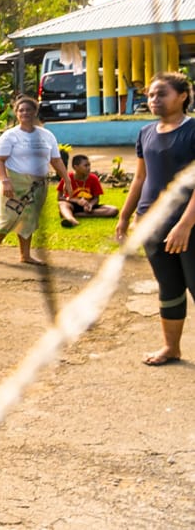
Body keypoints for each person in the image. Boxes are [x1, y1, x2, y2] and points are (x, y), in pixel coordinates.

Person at [116, 72, 195, 367]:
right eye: (150, 95)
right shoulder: (146, 132)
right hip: (153, 223)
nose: (153, 99)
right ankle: (171, 348)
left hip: (187, 224)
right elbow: (140, 178)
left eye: (161, 94)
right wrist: (126, 216)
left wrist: (185, 224)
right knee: (169, 286)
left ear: (183, 96)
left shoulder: (193, 131)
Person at [0, 96, 70, 265]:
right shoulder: (10, 136)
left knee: (29, 219)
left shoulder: (46, 135)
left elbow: (56, 160)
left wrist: (66, 179)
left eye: (29, 110)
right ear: (16, 113)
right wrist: (5, 180)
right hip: (15, 183)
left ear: (35, 112)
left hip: (38, 185)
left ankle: (25, 255)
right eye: (21, 110)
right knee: (8, 217)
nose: (25, 113)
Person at [57, 154, 118, 228]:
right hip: (72, 205)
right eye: (86, 166)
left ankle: (72, 215)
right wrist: (76, 201)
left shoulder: (93, 178)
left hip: (88, 207)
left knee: (113, 210)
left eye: (89, 165)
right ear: (76, 167)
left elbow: (96, 198)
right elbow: (60, 198)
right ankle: (71, 220)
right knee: (62, 204)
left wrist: (90, 205)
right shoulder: (67, 178)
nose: (89, 168)